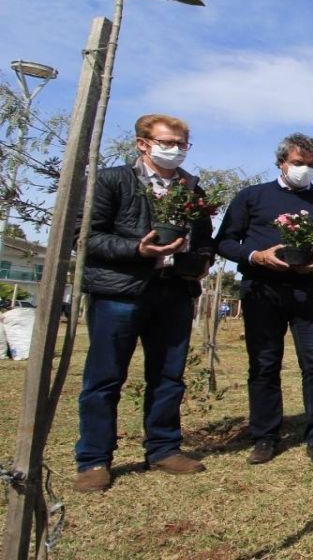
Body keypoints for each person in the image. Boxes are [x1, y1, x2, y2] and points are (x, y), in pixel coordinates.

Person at [73, 114, 212, 491]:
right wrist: (137, 249)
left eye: (182, 144)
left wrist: (200, 263)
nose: (175, 150)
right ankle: (93, 460)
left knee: (168, 376)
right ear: (142, 143)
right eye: (167, 142)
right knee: (104, 378)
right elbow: (85, 236)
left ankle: (164, 448)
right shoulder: (112, 181)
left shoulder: (193, 190)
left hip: (174, 292)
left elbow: (203, 240)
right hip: (120, 291)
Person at [214, 132, 313, 465]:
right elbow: (225, 241)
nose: (304, 169)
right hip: (263, 290)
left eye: (311, 165)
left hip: (311, 292)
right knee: (263, 364)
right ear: (281, 162)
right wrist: (256, 257)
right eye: (298, 163)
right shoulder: (252, 196)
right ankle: (265, 436)